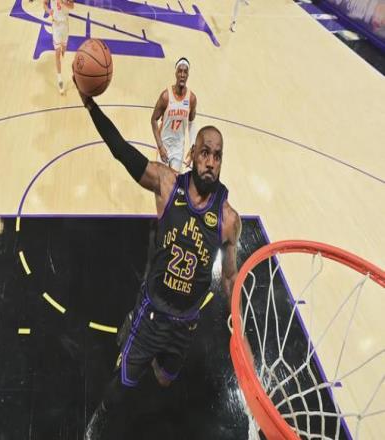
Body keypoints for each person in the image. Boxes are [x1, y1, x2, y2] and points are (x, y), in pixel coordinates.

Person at [74, 80, 241, 439]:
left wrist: (237, 323)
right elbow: (121, 151)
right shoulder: (167, 185)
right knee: (122, 385)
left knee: (164, 379)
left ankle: (149, 350)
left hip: (186, 322)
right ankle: (97, 422)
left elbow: (229, 277)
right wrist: (89, 104)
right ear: (193, 153)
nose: (211, 162)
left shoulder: (228, 219)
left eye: (217, 156)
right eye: (205, 153)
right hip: (153, 313)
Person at [151, 57, 198, 172]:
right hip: (164, 145)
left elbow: (191, 122)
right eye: (180, 71)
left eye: (185, 72)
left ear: (188, 75)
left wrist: (193, 146)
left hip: (178, 149)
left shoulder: (191, 98)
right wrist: (160, 146)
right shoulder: (166, 96)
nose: (182, 75)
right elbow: (153, 120)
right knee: (161, 180)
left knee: (174, 181)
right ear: (176, 73)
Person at [43, 0, 74, 94]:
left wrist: (63, 2)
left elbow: (72, 6)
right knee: (57, 52)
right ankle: (60, 78)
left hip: (65, 25)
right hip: (56, 25)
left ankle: (64, 57)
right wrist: (49, 10)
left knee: (64, 49)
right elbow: (44, 4)